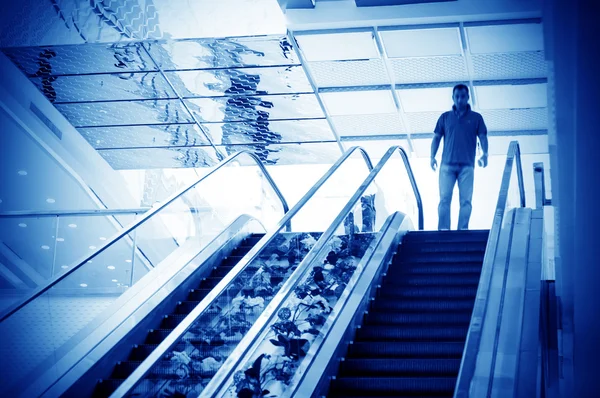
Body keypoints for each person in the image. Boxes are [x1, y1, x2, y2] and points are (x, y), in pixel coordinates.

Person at [430, 84, 488, 230]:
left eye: (463, 96)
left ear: (468, 97)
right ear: (453, 98)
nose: (460, 99)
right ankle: (443, 230)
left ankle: (462, 230)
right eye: (457, 96)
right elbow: (436, 138)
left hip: (467, 166)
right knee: (444, 200)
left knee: (466, 201)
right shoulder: (445, 117)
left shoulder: (476, 118)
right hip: (447, 166)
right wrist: (432, 156)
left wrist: (484, 154)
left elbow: (483, 136)